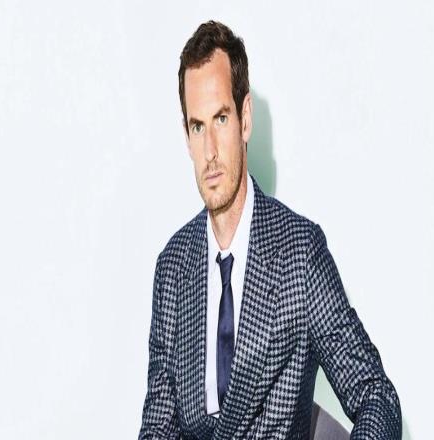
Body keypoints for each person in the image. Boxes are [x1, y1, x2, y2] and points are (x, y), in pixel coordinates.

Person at [138, 20, 401, 440]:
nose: (210, 151)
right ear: (186, 138)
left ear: (244, 120)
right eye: (197, 126)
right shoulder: (173, 267)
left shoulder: (299, 253)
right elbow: (158, 426)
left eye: (221, 118)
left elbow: (376, 395)